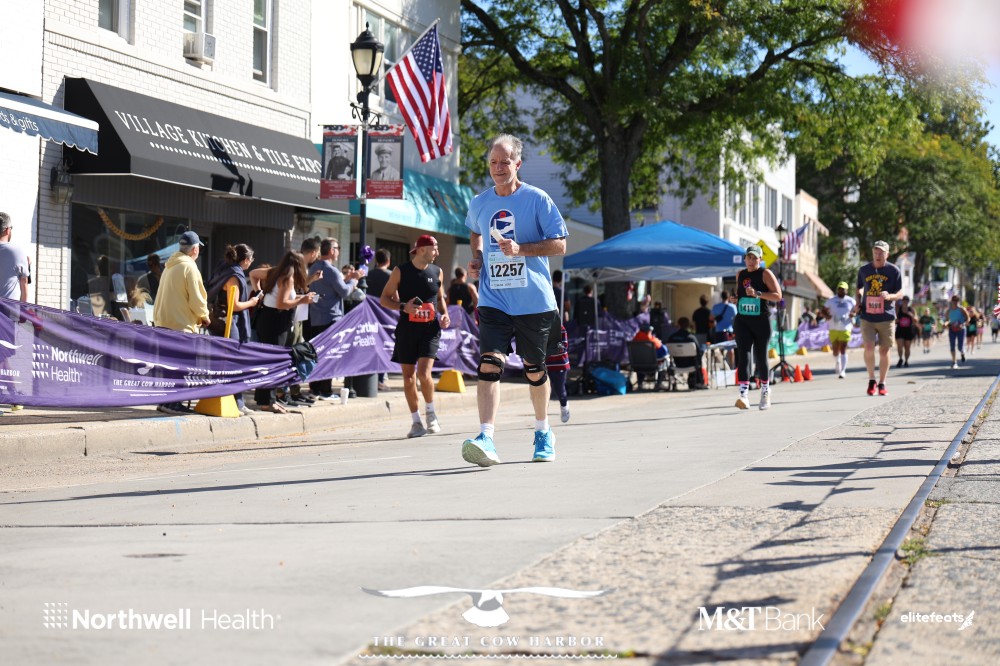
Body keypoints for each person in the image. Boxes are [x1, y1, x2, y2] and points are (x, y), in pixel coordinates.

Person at [461, 134, 568, 466]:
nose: (498, 168)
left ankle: (543, 431)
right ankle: (486, 437)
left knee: (534, 369)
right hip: (494, 298)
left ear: (517, 164)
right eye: (493, 162)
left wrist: (521, 249)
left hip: (533, 300)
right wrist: (478, 257)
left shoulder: (537, 199)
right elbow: (475, 232)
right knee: (489, 363)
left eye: (504, 162)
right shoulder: (480, 202)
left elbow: (560, 244)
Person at [380, 235, 451, 438]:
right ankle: (416, 421)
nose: (437, 252)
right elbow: (384, 299)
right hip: (407, 329)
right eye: (434, 248)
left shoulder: (437, 271)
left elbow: (439, 297)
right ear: (421, 249)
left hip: (430, 330)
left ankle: (431, 413)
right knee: (409, 377)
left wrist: (444, 314)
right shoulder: (400, 271)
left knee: (424, 374)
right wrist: (404, 306)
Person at [152, 231, 211, 415]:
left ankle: (165, 402)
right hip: (181, 325)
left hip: (164, 322)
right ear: (195, 249)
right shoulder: (189, 267)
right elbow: (197, 299)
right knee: (180, 366)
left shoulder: (169, 266)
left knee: (168, 365)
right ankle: (174, 403)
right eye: (198, 248)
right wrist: (205, 316)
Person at [205, 244, 264, 415]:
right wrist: (252, 302)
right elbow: (235, 305)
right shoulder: (234, 275)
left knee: (224, 362)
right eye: (251, 259)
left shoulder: (223, 269)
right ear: (245, 260)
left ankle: (227, 399)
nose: (251, 263)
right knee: (235, 363)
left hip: (218, 320)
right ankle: (238, 403)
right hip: (229, 323)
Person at [254, 251, 316, 413]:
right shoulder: (288, 278)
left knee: (267, 361)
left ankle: (265, 400)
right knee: (273, 362)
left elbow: (253, 274)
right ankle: (269, 401)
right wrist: (302, 300)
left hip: (267, 318)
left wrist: (259, 293)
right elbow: (282, 304)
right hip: (276, 321)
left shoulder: (274, 272)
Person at [306, 238, 362, 401]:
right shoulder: (331, 270)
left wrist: (346, 279)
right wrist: (354, 279)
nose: (339, 251)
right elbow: (344, 292)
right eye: (337, 248)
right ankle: (325, 390)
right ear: (331, 251)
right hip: (331, 317)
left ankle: (315, 388)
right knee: (329, 355)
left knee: (317, 354)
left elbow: (331, 288)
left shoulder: (313, 268)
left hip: (315, 316)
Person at [732, 245, 782, 410]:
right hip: (742, 320)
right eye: (749, 257)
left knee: (760, 357)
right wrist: (736, 299)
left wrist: (758, 294)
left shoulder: (765, 273)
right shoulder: (740, 274)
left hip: (761, 321)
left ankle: (765, 391)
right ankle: (743, 396)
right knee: (743, 355)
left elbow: (778, 296)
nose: (752, 261)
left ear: (760, 259)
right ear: (745, 259)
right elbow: (741, 294)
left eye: (755, 258)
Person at [853, 240, 903, 396]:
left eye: (881, 252)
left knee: (884, 350)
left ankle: (882, 382)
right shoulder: (864, 270)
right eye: (876, 252)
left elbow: (900, 293)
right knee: (868, 347)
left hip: (886, 316)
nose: (878, 255)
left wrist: (890, 296)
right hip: (867, 316)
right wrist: (858, 302)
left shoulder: (894, 271)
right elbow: (859, 288)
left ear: (887, 254)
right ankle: (871, 380)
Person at [365, 248, 393, 391]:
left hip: (370, 316)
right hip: (386, 317)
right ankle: (380, 379)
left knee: (371, 346)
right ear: (388, 261)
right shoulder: (391, 276)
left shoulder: (368, 275)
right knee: (384, 346)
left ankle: (371, 378)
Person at [820, 281, 856, 378]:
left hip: (846, 327)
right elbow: (823, 310)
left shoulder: (851, 301)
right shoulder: (831, 300)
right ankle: (838, 361)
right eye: (839, 288)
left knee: (843, 348)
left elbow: (857, 310)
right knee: (835, 350)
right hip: (833, 327)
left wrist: (853, 314)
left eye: (843, 289)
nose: (841, 290)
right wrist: (827, 316)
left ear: (847, 290)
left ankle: (843, 371)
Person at [667, 317, 707, 388]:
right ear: (688, 326)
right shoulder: (691, 338)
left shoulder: (671, 338)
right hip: (691, 364)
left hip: (677, 363)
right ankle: (698, 381)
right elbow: (698, 352)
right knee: (699, 357)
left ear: (678, 325)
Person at [0, 212, 29, 302]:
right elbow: (24, 283)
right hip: (7, 309)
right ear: (7, 230)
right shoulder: (17, 251)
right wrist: (23, 310)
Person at [546, 323, 571, 423]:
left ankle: (564, 407)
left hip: (560, 364)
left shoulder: (560, 328)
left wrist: (552, 348)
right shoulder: (540, 326)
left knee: (559, 389)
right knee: (544, 390)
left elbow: (564, 346)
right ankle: (543, 415)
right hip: (546, 365)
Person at [632, 322, 667, 390]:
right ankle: (659, 384)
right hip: (653, 365)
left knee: (641, 361)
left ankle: (640, 384)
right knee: (664, 362)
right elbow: (663, 351)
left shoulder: (634, 341)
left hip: (638, 366)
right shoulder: (653, 341)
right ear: (649, 331)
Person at [946, 295, 969, 369]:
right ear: (952, 301)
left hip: (961, 329)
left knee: (960, 347)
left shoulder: (961, 309)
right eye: (954, 301)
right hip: (952, 329)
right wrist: (946, 324)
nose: (955, 302)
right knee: (952, 346)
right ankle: (954, 362)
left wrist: (963, 324)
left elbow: (968, 318)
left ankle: (962, 352)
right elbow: (947, 320)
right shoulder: (948, 311)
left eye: (957, 301)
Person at [895, 299, 916, 368]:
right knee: (899, 346)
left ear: (908, 302)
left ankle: (906, 361)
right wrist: (897, 320)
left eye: (907, 301)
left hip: (909, 330)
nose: (905, 302)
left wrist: (911, 315)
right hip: (900, 330)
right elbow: (894, 319)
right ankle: (900, 358)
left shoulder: (911, 309)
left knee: (907, 347)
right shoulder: (898, 309)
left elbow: (916, 320)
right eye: (904, 301)